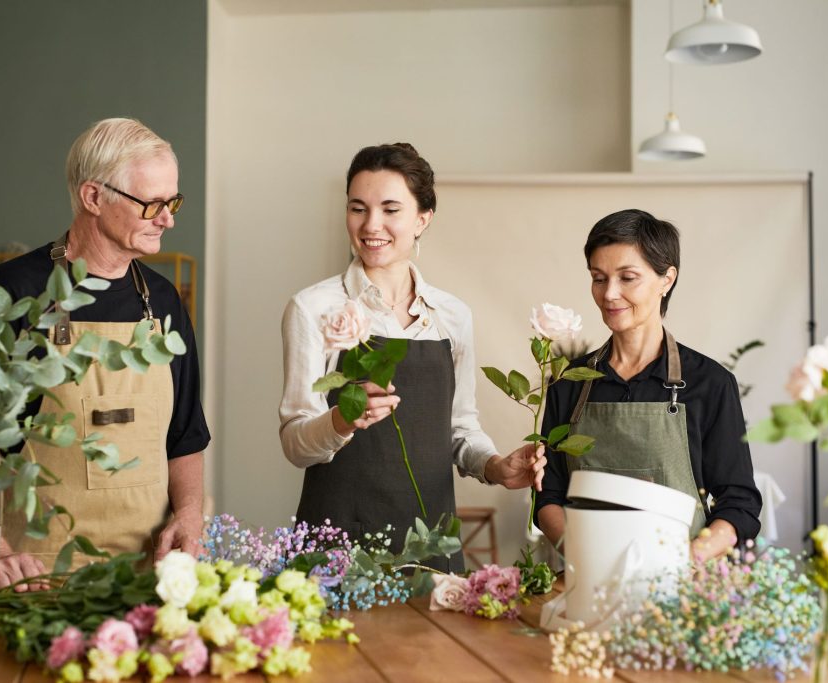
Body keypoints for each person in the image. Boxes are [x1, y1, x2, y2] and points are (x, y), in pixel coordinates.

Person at [0, 117, 210, 589]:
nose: (168, 219)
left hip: (143, 585)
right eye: (152, 203)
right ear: (93, 197)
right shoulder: (9, 295)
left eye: (172, 201)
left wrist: (190, 516)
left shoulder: (164, 301)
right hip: (32, 584)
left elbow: (186, 439)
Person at [279, 142, 545, 572]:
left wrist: (495, 466)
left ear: (423, 219)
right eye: (357, 208)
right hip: (337, 544)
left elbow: (460, 429)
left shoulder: (452, 316)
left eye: (390, 209)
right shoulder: (313, 308)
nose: (371, 225)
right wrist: (343, 420)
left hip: (431, 542)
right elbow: (295, 442)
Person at [534, 209, 761, 563]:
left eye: (627, 278)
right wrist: (582, 555)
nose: (609, 294)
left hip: (680, 591)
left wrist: (681, 564)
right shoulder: (569, 383)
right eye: (598, 278)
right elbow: (548, 495)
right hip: (589, 583)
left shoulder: (710, 383)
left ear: (666, 279)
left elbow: (740, 503)